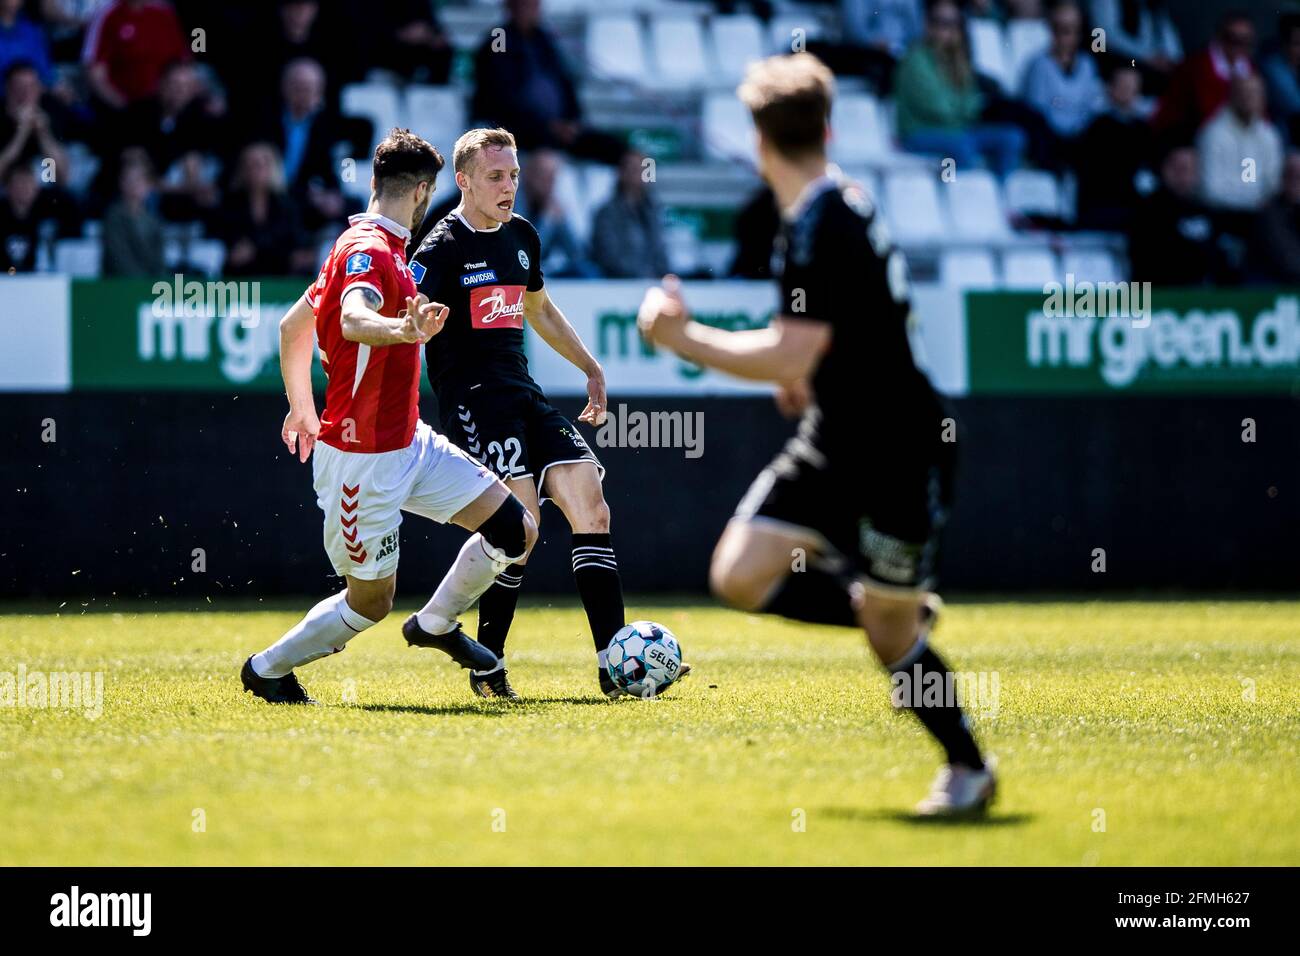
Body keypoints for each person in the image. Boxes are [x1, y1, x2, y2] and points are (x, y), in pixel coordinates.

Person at [637, 54, 994, 817]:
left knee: (892, 641)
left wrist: (681, 337)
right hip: (837, 439)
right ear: (828, 128)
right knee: (739, 573)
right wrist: (802, 373)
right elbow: (818, 335)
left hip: (901, 446)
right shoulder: (825, 210)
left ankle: (967, 765)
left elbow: (796, 344)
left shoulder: (820, 221)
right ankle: (878, 605)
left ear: (758, 141)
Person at [242, 129, 537, 705]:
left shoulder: (364, 244)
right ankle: (267, 667)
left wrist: (303, 408)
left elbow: (291, 327)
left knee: (515, 528)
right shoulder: (371, 253)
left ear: (375, 183)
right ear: (425, 191)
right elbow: (353, 318)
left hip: (409, 443)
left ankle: (436, 623)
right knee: (371, 601)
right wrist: (403, 330)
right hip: (361, 464)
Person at [410, 128, 688, 700]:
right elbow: (405, 311)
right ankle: (490, 664)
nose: (509, 185)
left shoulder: (522, 237)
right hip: (474, 397)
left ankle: (615, 666)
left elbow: (538, 307)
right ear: (463, 181)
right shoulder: (441, 248)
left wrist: (590, 366)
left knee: (592, 503)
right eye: (496, 176)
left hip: (522, 390)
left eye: (513, 174)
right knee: (522, 528)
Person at [469, 0, 625, 165]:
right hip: (520, 129)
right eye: (524, 4)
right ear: (510, 6)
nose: (530, 10)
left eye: (534, 4)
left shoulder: (544, 41)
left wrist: (572, 120)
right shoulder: (498, 38)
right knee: (542, 145)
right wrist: (547, 126)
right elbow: (501, 98)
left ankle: (632, 186)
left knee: (618, 150)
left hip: (557, 128)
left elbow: (565, 84)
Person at [894, 0, 1024, 176]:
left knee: (1011, 138)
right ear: (928, 25)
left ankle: (997, 194)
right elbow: (940, 108)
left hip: (958, 130)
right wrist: (963, 106)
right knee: (962, 146)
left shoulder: (959, 59)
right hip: (919, 132)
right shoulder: (916, 60)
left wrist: (963, 105)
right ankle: (957, 193)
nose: (949, 30)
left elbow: (973, 103)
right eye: (941, 23)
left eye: (955, 24)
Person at [1128, 145, 1227, 286]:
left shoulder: (1208, 211)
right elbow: (1149, 263)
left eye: (1189, 169)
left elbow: (1221, 262)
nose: (1182, 175)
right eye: (1177, 168)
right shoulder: (1147, 212)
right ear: (1163, 170)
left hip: (1203, 298)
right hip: (1161, 297)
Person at [1153, 10, 1256, 144]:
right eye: (1232, 38)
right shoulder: (1196, 67)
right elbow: (1203, 115)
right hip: (1189, 139)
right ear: (1219, 36)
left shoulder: (1251, 69)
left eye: (1244, 41)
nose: (1237, 46)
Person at [1075, 63, 1155, 230]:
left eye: (1132, 87)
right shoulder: (1097, 128)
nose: (1128, 92)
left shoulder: (1144, 129)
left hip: (1136, 203)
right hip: (1104, 204)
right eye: (1122, 86)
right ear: (1110, 88)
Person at [1020, 1, 1105, 151]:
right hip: (1050, 138)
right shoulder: (1039, 65)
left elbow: (1092, 105)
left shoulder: (1087, 64)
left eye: (1073, 30)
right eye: (1059, 29)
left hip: (1081, 137)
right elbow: (1037, 110)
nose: (1065, 36)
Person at [217, 142, 308, 276]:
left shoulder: (286, 204)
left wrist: (255, 249)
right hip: (239, 277)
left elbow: (293, 244)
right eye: (249, 165)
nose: (254, 170)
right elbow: (227, 239)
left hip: (280, 273)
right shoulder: (230, 204)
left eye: (260, 165)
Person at [1197, 73, 1283, 213]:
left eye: (1255, 93)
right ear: (1231, 97)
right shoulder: (1213, 134)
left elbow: (1272, 183)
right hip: (1221, 215)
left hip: (1259, 216)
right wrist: (1252, 200)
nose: (1249, 99)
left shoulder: (1268, 134)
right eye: (1244, 93)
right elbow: (1210, 191)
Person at [82, 0, 189, 110]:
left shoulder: (164, 13)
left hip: (165, 106)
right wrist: (123, 107)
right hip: (124, 106)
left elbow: (183, 65)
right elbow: (96, 74)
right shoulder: (107, 15)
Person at [512, 148, 594, 277]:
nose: (549, 182)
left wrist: (563, 220)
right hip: (515, 273)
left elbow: (577, 254)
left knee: (586, 270)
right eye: (543, 175)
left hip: (545, 272)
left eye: (552, 176)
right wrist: (547, 221)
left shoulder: (550, 203)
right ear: (527, 174)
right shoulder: (512, 203)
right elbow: (526, 255)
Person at [590, 150, 669, 279]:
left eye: (644, 170)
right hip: (618, 284)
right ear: (621, 173)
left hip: (652, 282)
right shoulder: (607, 213)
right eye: (635, 169)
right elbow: (608, 257)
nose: (640, 175)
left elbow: (660, 251)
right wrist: (641, 275)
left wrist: (662, 274)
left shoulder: (653, 211)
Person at [1088, 0, 1182, 94]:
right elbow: (1105, 36)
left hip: (1152, 68)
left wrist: (1171, 60)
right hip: (1116, 64)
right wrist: (1148, 56)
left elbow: (1170, 41)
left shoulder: (1152, 7)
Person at [100, 156, 163, 276]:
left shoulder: (154, 221)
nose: (134, 185)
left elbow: (159, 261)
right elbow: (118, 257)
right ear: (121, 183)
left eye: (139, 180)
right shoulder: (113, 217)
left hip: (150, 286)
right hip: (118, 285)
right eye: (129, 180)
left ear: (149, 186)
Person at [1251, 151, 1300, 283]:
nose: (1295, 182)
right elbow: (1287, 258)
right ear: (1281, 178)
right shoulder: (1270, 212)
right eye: (1290, 175)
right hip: (1275, 286)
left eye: (1299, 177)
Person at [1261, 13, 1300, 145]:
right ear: (1284, 44)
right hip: (1282, 143)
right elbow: (1294, 105)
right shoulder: (1272, 67)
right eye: (1297, 44)